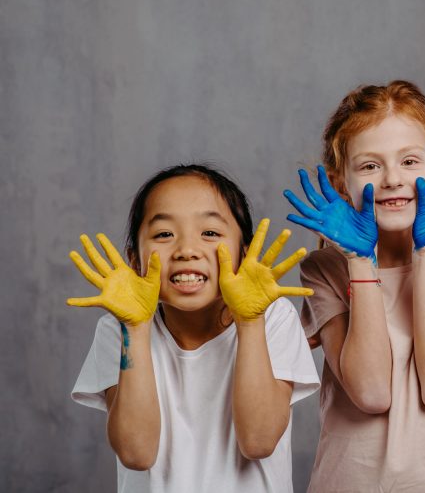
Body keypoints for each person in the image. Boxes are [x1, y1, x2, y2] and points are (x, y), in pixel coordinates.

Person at [283, 80, 425, 492]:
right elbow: (371, 393)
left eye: (409, 162)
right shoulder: (325, 269)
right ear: (341, 185)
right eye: (370, 166)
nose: (392, 179)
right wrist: (359, 259)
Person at [69, 164, 320, 492]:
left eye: (211, 233)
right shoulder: (119, 328)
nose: (186, 250)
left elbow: (259, 441)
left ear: (244, 256)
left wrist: (249, 321)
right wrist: (136, 327)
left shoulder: (273, 317)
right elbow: (136, 453)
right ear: (134, 261)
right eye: (163, 234)